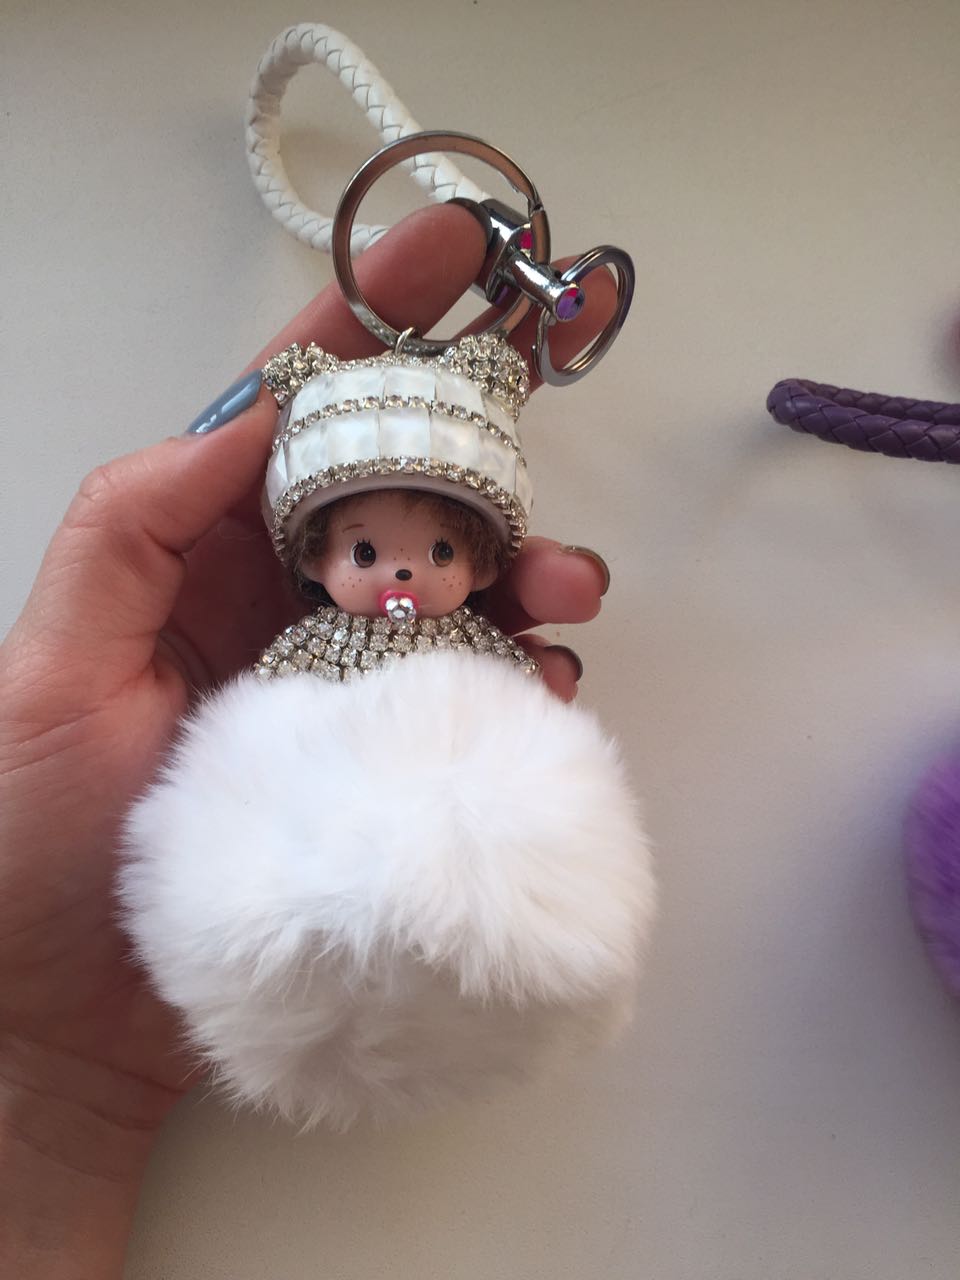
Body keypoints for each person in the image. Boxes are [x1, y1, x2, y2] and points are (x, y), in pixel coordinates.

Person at [0, 204, 612, 1277]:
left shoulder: (478, 652)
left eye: (437, 551)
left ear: (478, 561)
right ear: (317, 559)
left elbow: (516, 722)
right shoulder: (302, 653)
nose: (402, 571)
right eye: (367, 549)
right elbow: (263, 736)